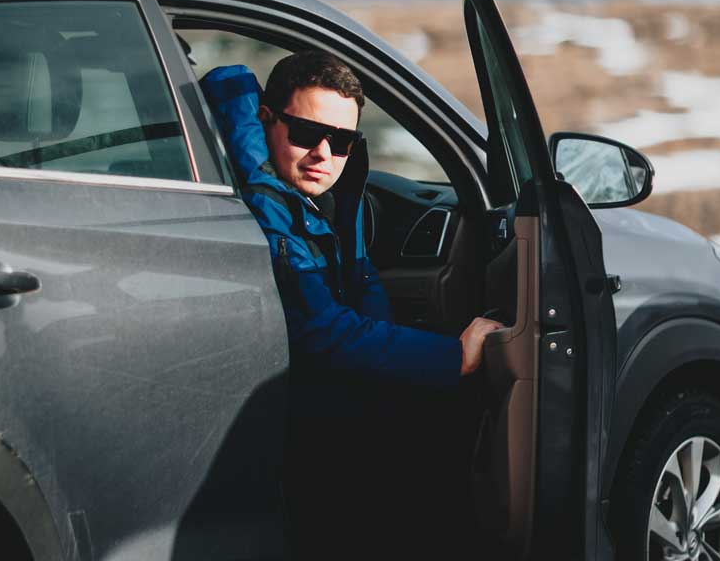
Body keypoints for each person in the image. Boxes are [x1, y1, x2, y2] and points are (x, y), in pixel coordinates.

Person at [201, 51, 500, 558]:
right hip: (280, 430)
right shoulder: (265, 207)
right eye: (305, 133)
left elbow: (365, 291)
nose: (323, 154)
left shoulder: (339, 198)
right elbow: (321, 332)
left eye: (341, 141)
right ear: (267, 120)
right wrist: (455, 356)